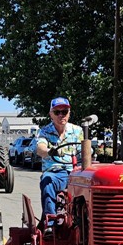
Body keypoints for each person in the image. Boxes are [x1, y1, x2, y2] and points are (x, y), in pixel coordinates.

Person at [35, 97, 83, 233]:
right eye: (57, 112)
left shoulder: (78, 130)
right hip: (55, 171)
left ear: (69, 113)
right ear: (51, 114)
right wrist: (50, 151)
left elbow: (85, 149)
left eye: (64, 111)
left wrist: (88, 151)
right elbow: (40, 149)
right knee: (47, 180)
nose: (61, 115)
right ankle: (50, 222)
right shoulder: (44, 131)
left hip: (76, 171)